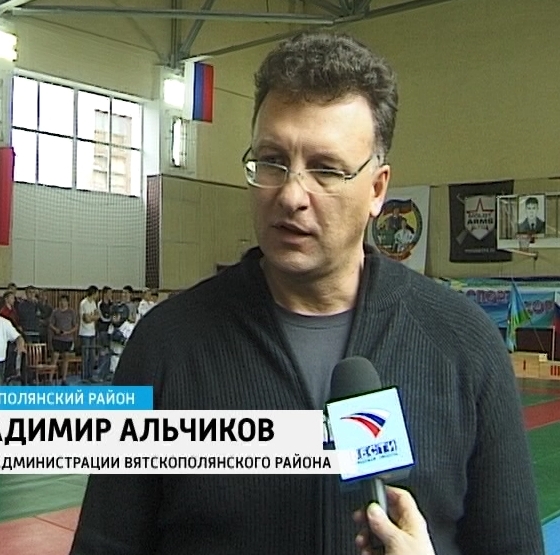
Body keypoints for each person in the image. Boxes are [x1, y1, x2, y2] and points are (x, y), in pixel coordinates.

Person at [70, 32, 542, 555]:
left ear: (377, 189)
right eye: (272, 161)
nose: (291, 194)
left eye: (326, 169)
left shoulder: (463, 343)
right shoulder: (167, 344)